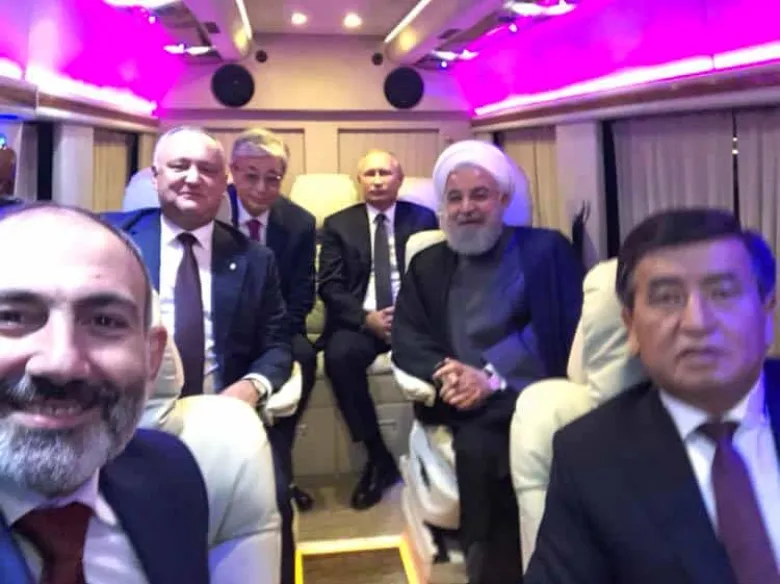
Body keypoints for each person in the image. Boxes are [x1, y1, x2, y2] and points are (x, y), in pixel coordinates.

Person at [526, 208, 780, 584]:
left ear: (766, 312)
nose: (698, 323)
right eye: (668, 298)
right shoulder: (589, 459)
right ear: (631, 327)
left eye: (722, 293)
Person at [392, 139, 584, 583]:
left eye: (479, 195)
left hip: (529, 390)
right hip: (462, 400)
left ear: (503, 199)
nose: (466, 208)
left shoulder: (546, 251)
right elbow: (408, 335)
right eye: (455, 198)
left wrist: (493, 376)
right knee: (481, 447)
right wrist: (448, 374)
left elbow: (562, 326)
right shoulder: (427, 263)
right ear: (443, 207)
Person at [0, 202, 211, 583]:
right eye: (12, 316)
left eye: (104, 321)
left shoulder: (171, 473)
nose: (61, 363)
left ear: (151, 358)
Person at [318, 148, 438, 509]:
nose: (377, 181)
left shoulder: (424, 218)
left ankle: (433, 452)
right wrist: (365, 318)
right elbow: (330, 285)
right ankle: (378, 458)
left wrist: (409, 317)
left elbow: (436, 276)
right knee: (339, 357)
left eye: (384, 173)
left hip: (412, 320)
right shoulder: (338, 224)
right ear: (359, 181)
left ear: (399, 180)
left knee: (443, 354)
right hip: (361, 321)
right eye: (369, 174)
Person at [227, 128, 317, 512]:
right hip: (223, 327)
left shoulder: (299, 223)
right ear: (232, 171)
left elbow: (302, 293)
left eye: (273, 178)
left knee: (305, 357)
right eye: (251, 176)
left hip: (278, 329)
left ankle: (282, 471)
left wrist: (275, 334)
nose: (262, 189)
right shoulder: (211, 212)